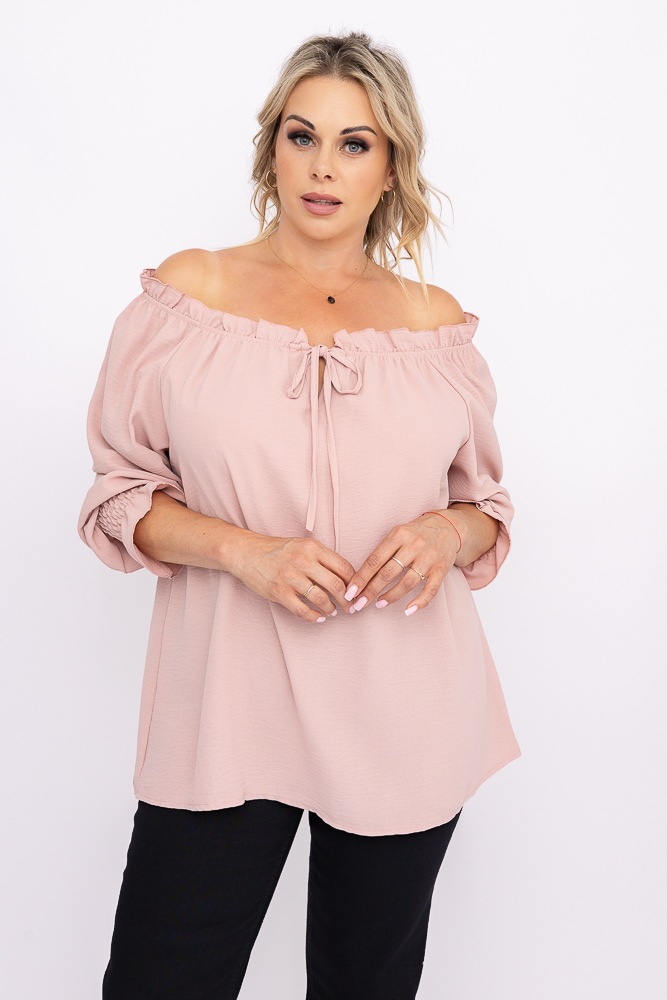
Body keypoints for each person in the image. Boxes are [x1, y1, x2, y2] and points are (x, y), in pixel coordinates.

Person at [78, 30, 521, 1000]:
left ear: (390, 165)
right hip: (228, 702)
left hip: (404, 703)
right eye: (302, 135)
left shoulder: (431, 324)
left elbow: (484, 507)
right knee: (161, 979)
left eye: (355, 143)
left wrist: (445, 532)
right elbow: (118, 496)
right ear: (270, 147)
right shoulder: (188, 296)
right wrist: (245, 552)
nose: (324, 166)